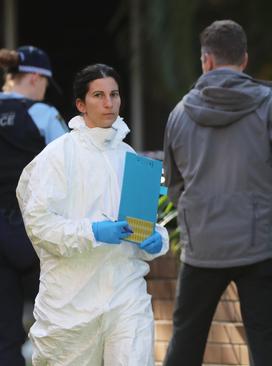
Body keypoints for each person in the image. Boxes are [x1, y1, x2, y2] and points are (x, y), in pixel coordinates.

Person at [163, 19, 272, 366]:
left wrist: (198, 213)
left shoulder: (179, 114)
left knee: (185, 343)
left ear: (206, 60)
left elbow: (174, 184)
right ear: (245, 59)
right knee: (265, 346)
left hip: (203, 246)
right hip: (261, 245)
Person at [15, 63, 169, 366]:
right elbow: (40, 225)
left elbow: (142, 222)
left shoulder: (130, 158)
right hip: (72, 301)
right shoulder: (58, 155)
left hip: (126, 292)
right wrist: (93, 232)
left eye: (114, 94)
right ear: (81, 105)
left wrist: (156, 238)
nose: (108, 103)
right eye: (98, 95)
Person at [0, 45, 68, 366]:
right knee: (57, 322)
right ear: (36, 78)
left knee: (4, 334)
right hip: (33, 234)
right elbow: (71, 169)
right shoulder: (43, 115)